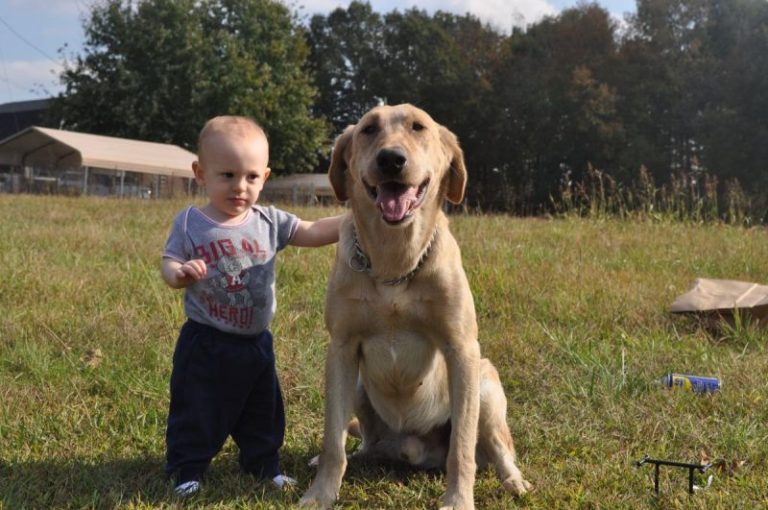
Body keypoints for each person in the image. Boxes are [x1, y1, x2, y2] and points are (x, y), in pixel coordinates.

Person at [161, 115, 342, 497]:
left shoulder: (269, 220)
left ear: (265, 175)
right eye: (227, 175)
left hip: (255, 341)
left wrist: (356, 220)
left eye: (251, 177)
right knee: (197, 407)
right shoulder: (191, 222)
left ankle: (263, 463)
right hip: (206, 341)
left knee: (264, 410)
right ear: (200, 172)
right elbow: (169, 262)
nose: (239, 187)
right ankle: (187, 467)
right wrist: (180, 274)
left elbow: (311, 230)